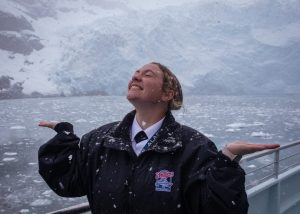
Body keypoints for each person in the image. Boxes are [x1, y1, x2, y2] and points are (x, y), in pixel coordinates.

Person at [38, 62, 280, 214]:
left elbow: (216, 209)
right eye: (135, 73)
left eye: (147, 74)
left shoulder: (193, 146)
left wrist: (226, 161)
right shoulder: (99, 140)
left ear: (167, 93)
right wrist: (64, 138)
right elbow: (68, 184)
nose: (136, 77)